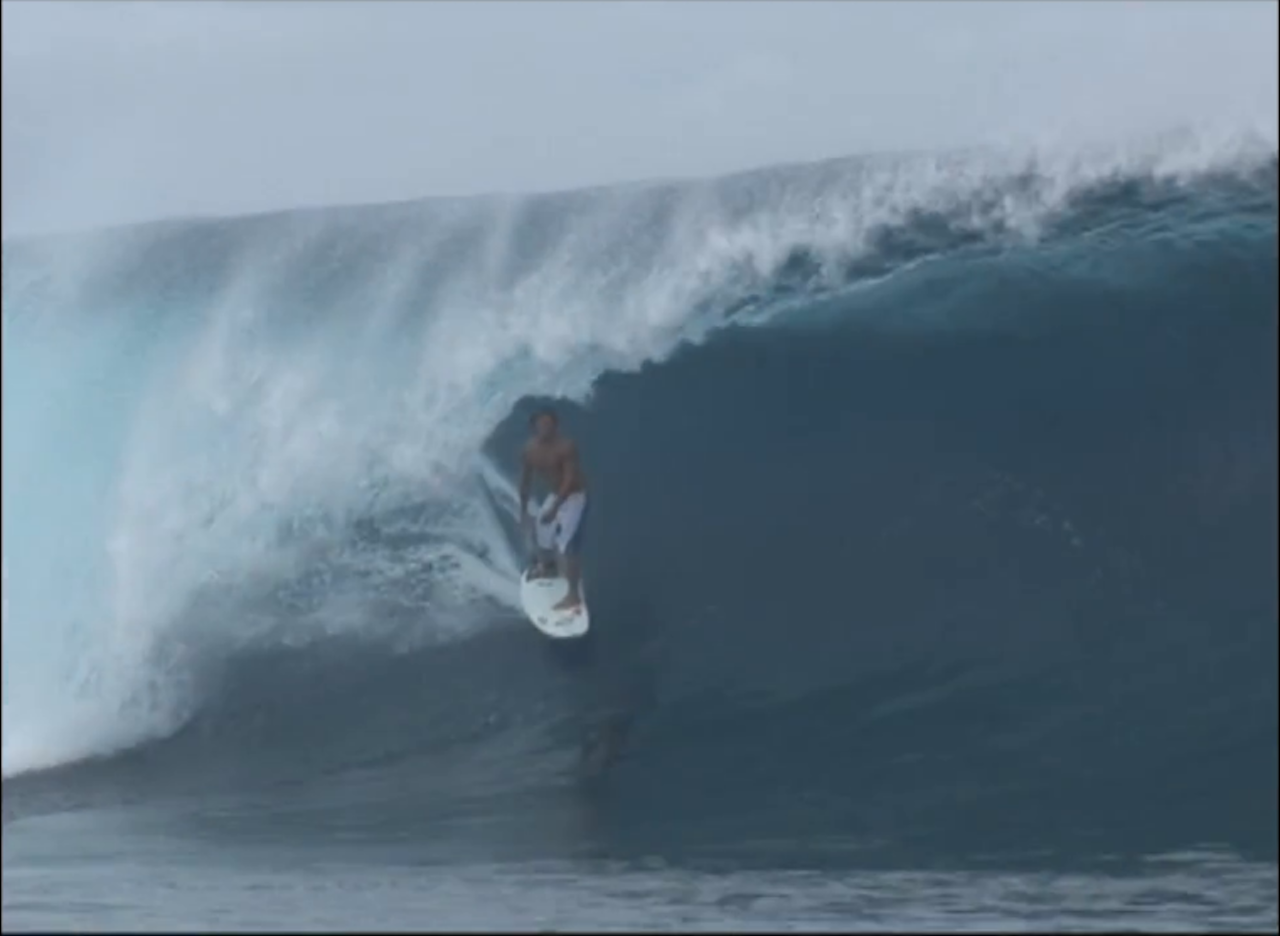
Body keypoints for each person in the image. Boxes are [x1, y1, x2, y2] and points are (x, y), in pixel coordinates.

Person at [519, 406, 589, 611]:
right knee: (541, 534)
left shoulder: (566, 447)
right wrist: (523, 509)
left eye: (549, 424)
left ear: (556, 426)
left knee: (566, 547)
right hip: (555, 496)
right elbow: (525, 480)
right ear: (534, 427)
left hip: (574, 497)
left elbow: (569, 479)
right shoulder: (529, 450)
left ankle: (573, 596)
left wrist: (555, 508)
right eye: (541, 425)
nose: (545, 428)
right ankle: (547, 568)